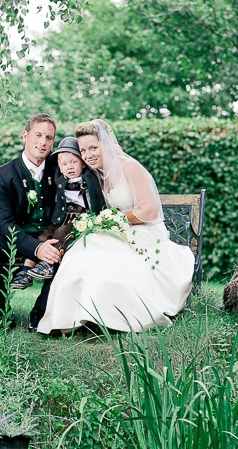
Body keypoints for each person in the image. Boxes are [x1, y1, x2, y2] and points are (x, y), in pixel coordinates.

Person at [37, 119, 194, 334]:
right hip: (116, 230)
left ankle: (115, 316)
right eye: (83, 150)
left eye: (93, 147)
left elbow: (150, 211)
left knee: (113, 256)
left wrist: (112, 219)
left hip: (146, 232)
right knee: (84, 248)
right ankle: (76, 316)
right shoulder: (97, 175)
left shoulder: (129, 167)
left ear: (108, 145)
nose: (88, 154)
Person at [0, 114, 60, 332]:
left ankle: (40, 312)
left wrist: (49, 244)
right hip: (17, 238)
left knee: (72, 250)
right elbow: (3, 224)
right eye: (38, 135)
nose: (43, 142)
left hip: (53, 238)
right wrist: (36, 249)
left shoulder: (59, 168)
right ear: (25, 136)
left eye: (48, 138)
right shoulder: (2, 175)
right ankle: (1, 312)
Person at [10, 137, 105, 289]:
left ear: (83, 164)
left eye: (74, 162)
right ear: (59, 168)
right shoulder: (60, 180)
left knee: (61, 233)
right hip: (61, 217)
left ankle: (48, 264)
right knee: (44, 235)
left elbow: (97, 200)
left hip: (79, 220)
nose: (70, 167)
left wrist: (93, 217)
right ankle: (26, 271)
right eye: (65, 164)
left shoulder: (88, 180)